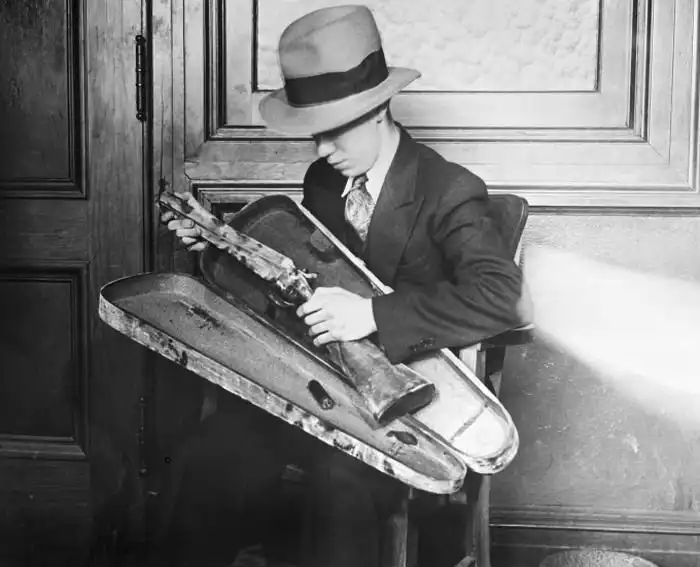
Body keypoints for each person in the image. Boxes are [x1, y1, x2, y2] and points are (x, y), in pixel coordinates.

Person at [162, 5, 524, 567]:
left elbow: (503, 297)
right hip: (314, 391)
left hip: (402, 415)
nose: (322, 150)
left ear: (377, 109)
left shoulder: (448, 189)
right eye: (315, 134)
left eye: (334, 132)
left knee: (336, 486)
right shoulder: (324, 181)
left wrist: (374, 314)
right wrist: (215, 244)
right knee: (207, 457)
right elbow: (297, 281)